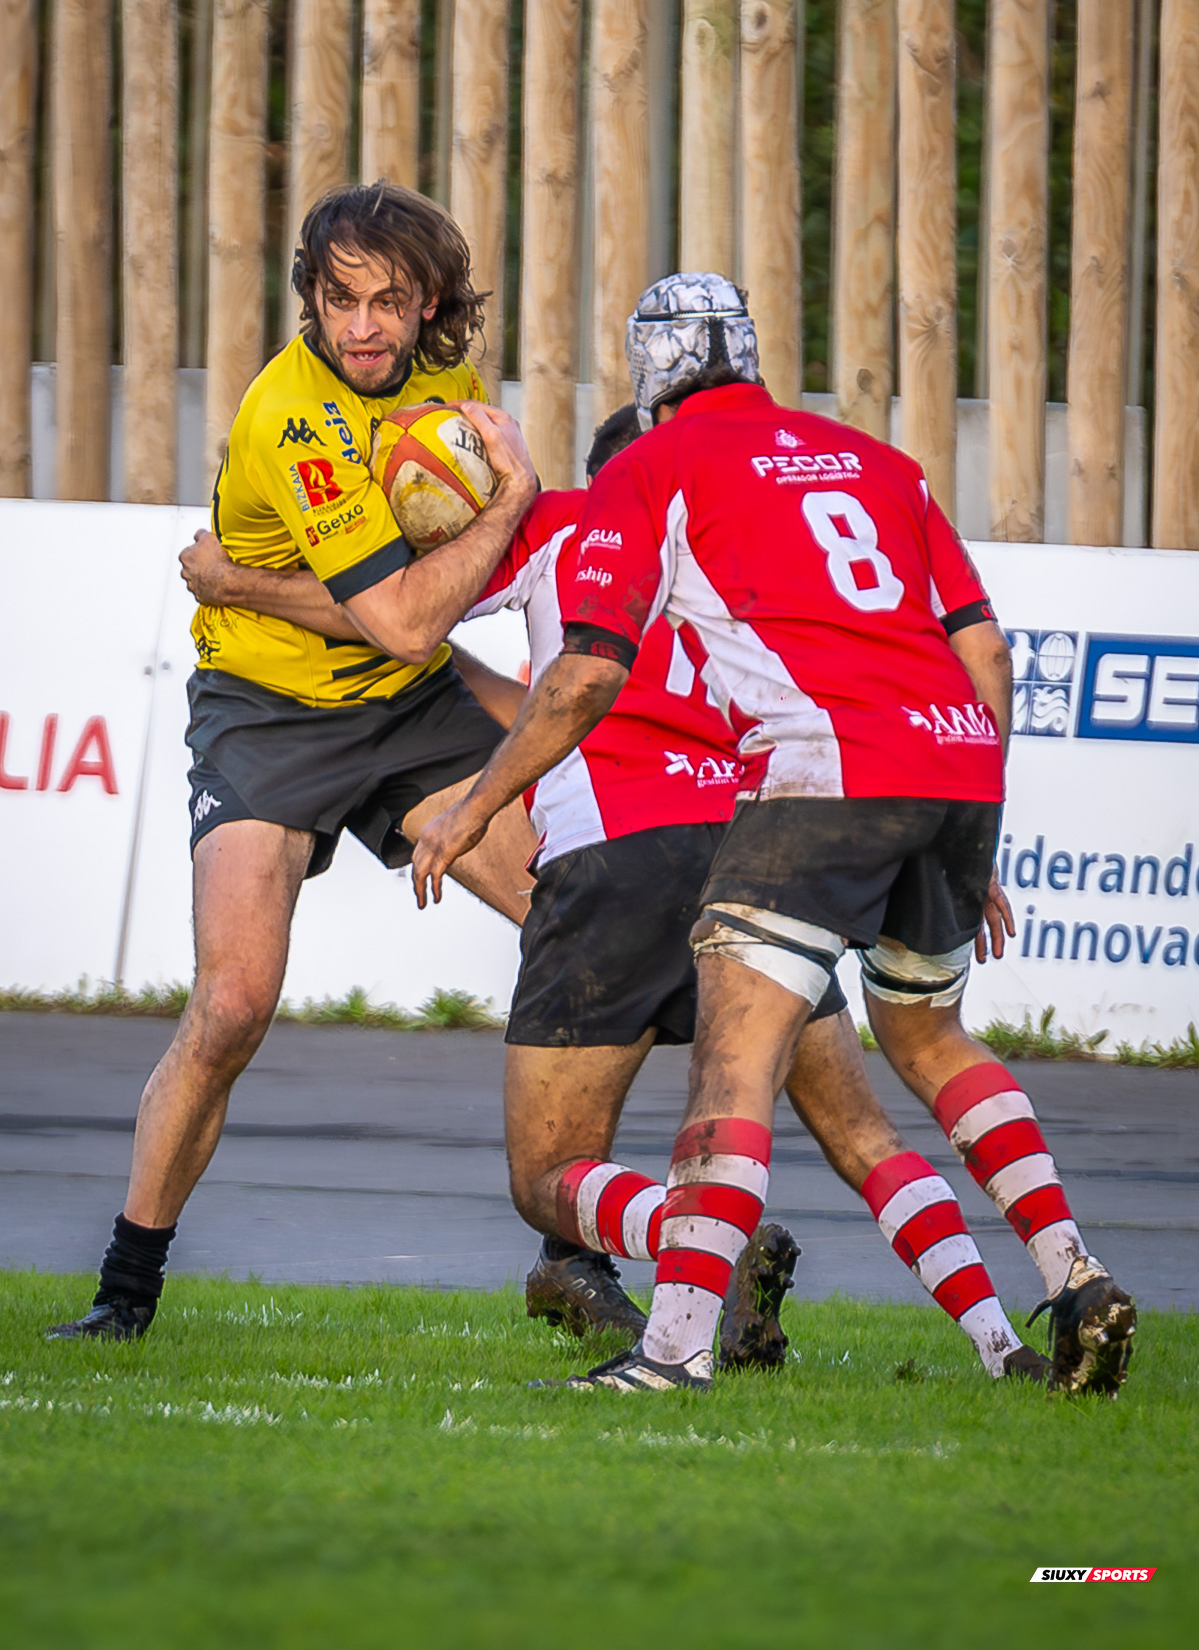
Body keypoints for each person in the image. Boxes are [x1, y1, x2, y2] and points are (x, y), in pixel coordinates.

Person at [176, 399, 1047, 1384]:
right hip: (754, 857)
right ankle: (1001, 1343)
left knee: (545, 1175)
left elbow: (399, 623)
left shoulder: (579, 525)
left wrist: (237, 583)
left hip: (619, 859)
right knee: (861, 1131)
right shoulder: (747, 551)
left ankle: (692, 1235)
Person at [411, 274, 1137, 1397]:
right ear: (750, 354)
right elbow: (984, 652)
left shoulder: (647, 472)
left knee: (729, 1070)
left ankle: (672, 1351)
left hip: (801, 783)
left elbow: (582, 671)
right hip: (954, 762)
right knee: (931, 1045)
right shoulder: (876, 463)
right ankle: (1068, 1279)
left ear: (648, 379)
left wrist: (469, 808)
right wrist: (972, 831)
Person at [48, 182, 539, 1343]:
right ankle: (126, 1293)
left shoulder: (447, 392)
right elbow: (412, 617)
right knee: (228, 1006)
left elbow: (418, 619)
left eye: (387, 301)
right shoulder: (292, 415)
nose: (360, 327)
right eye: (337, 299)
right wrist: (509, 494)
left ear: (431, 307)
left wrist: (241, 579)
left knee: (577, 930)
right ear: (309, 297)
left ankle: (581, 1250)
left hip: (407, 706)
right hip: (267, 710)